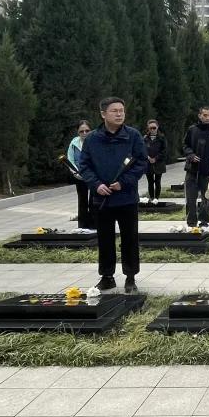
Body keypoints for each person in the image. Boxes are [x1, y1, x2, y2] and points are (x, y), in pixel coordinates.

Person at [78, 97, 148, 294]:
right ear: (103, 114)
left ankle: (130, 276)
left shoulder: (133, 136)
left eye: (121, 110)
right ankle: (107, 277)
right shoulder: (92, 138)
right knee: (105, 239)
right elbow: (84, 165)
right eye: (114, 111)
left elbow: (141, 162)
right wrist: (96, 184)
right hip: (102, 199)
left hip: (126, 197)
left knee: (130, 238)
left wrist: (123, 182)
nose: (119, 114)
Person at [183, 106, 209, 229]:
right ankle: (191, 223)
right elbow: (185, 145)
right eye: (205, 115)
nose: (207, 118)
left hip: (208, 171)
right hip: (192, 170)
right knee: (190, 199)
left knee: (206, 198)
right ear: (200, 115)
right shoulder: (192, 129)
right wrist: (190, 155)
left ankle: (204, 222)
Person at [66, 120, 96, 230]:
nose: (84, 133)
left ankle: (94, 225)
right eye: (81, 131)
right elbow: (70, 159)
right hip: (79, 176)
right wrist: (75, 172)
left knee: (93, 200)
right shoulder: (74, 143)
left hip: (93, 176)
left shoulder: (96, 141)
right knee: (82, 200)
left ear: (91, 130)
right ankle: (82, 226)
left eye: (87, 130)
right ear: (78, 132)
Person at [143, 120, 168, 205]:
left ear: (157, 127)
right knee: (150, 182)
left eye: (154, 128)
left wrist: (156, 158)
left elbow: (164, 150)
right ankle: (151, 198)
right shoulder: (145, 138)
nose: (152, 130)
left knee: (157, 181)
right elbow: (142, 149)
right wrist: (148, 157)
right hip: (148, 163)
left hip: (159, 163)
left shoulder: (162, 138)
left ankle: (156, 199)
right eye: (151, 128)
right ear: (148, 128)